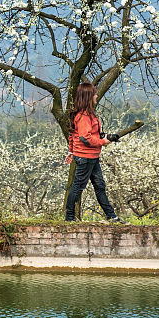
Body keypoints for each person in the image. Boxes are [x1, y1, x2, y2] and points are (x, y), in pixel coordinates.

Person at [64, 81, 122, 222]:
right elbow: (85, 138)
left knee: (99, 185)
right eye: (94, 94)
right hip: (86, 157)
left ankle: (112, 216)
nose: (96, 96)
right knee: (78, 186)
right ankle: (69, 217)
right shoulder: (84, 116)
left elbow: (74, 135)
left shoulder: (87, 115)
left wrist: (108, 137)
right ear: (89, 97)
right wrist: (103, 141)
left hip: (90, 156)